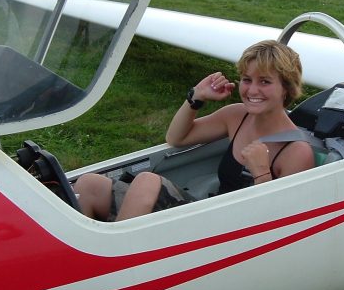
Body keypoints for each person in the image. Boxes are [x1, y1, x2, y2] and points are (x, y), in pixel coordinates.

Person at [74, 39, 315, 221]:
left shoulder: (296, 152)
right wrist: (196, 98)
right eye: (246, 79)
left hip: (230, 234)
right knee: (88, 185)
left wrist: (261, 173)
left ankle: (116, 259)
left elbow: (280, 222)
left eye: (265, 82)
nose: (252, 90)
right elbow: (177, 137)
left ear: (286, 88)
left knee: (147, 180)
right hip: (206, 213)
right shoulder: (237, 116)